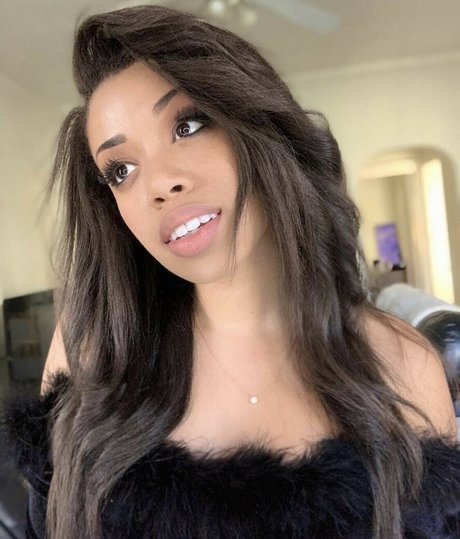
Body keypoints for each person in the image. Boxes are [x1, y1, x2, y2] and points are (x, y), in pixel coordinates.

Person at [2, 5, 460, 539]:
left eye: (187, 125)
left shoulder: (403, 365)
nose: (160, 184)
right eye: (121, 170)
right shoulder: (95, 349)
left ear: (262, 129)